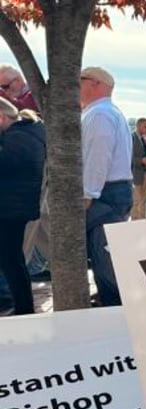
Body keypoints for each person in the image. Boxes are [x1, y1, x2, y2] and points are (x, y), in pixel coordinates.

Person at [80, 66, 133, 307]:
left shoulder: (99, 114)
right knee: (105, 253)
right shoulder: (108, 112)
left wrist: (88, 192)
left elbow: (98, 155)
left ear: (95, 84)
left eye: (80, 80)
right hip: (112, 190)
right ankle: (111, 301)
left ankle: (115, 305)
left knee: (104, 256)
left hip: (104, 192)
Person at [0, 98, 45, 316]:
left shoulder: (18, 138)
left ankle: (23, 308)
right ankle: (22, 307)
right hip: (15, 207)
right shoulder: (28, 134)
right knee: (13, 260)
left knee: (12, 261)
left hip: (9, 209)